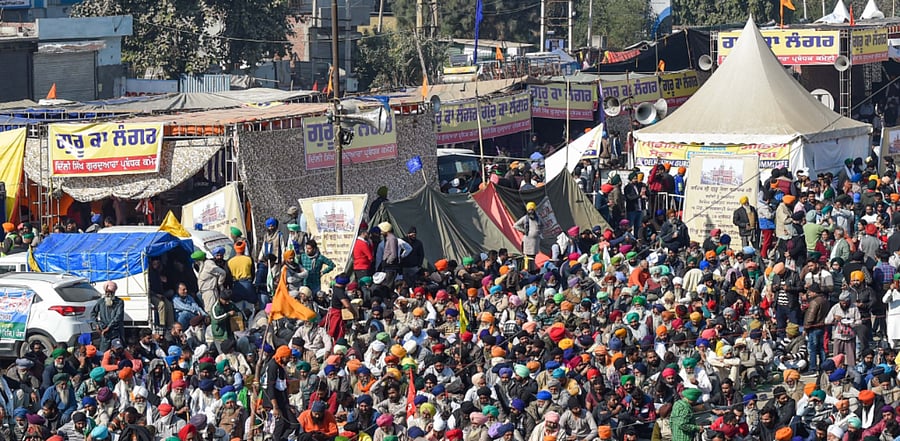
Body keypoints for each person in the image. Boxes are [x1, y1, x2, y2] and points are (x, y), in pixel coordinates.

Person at [264, 346, 295, 441]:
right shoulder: (273, 366)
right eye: (287, 358)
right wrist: (275, 407)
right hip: (274, 401)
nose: (288, 360)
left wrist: (288, 405)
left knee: (293, 424)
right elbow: (270, 387)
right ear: (281, 357)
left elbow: (283, 386)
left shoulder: (280, 366)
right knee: (281, 423)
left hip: (282, 401)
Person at [90, 282, 124, 352]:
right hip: (105, 333)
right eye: (106, 292)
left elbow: (118, 316)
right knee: (103, 352)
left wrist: (108, 327)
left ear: (114, 292)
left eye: (110, 292)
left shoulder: (119, 302)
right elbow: (92, 314)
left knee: (118, 351)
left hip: (115, 331)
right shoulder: (101, 302)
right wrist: (97, 325)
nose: (108, 294)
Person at [515, 202, 543, 272]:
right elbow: (515, 225)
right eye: (529, 209)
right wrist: (524, 230)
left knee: (533, 257)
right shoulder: (525, 218)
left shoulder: (538, 218)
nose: (531, 211)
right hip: (527, 241)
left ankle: (532, 270)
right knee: (527, 257)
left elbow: (542, 225)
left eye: (532, 209)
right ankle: (527, 270)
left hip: (535, 241)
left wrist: (540, 232)